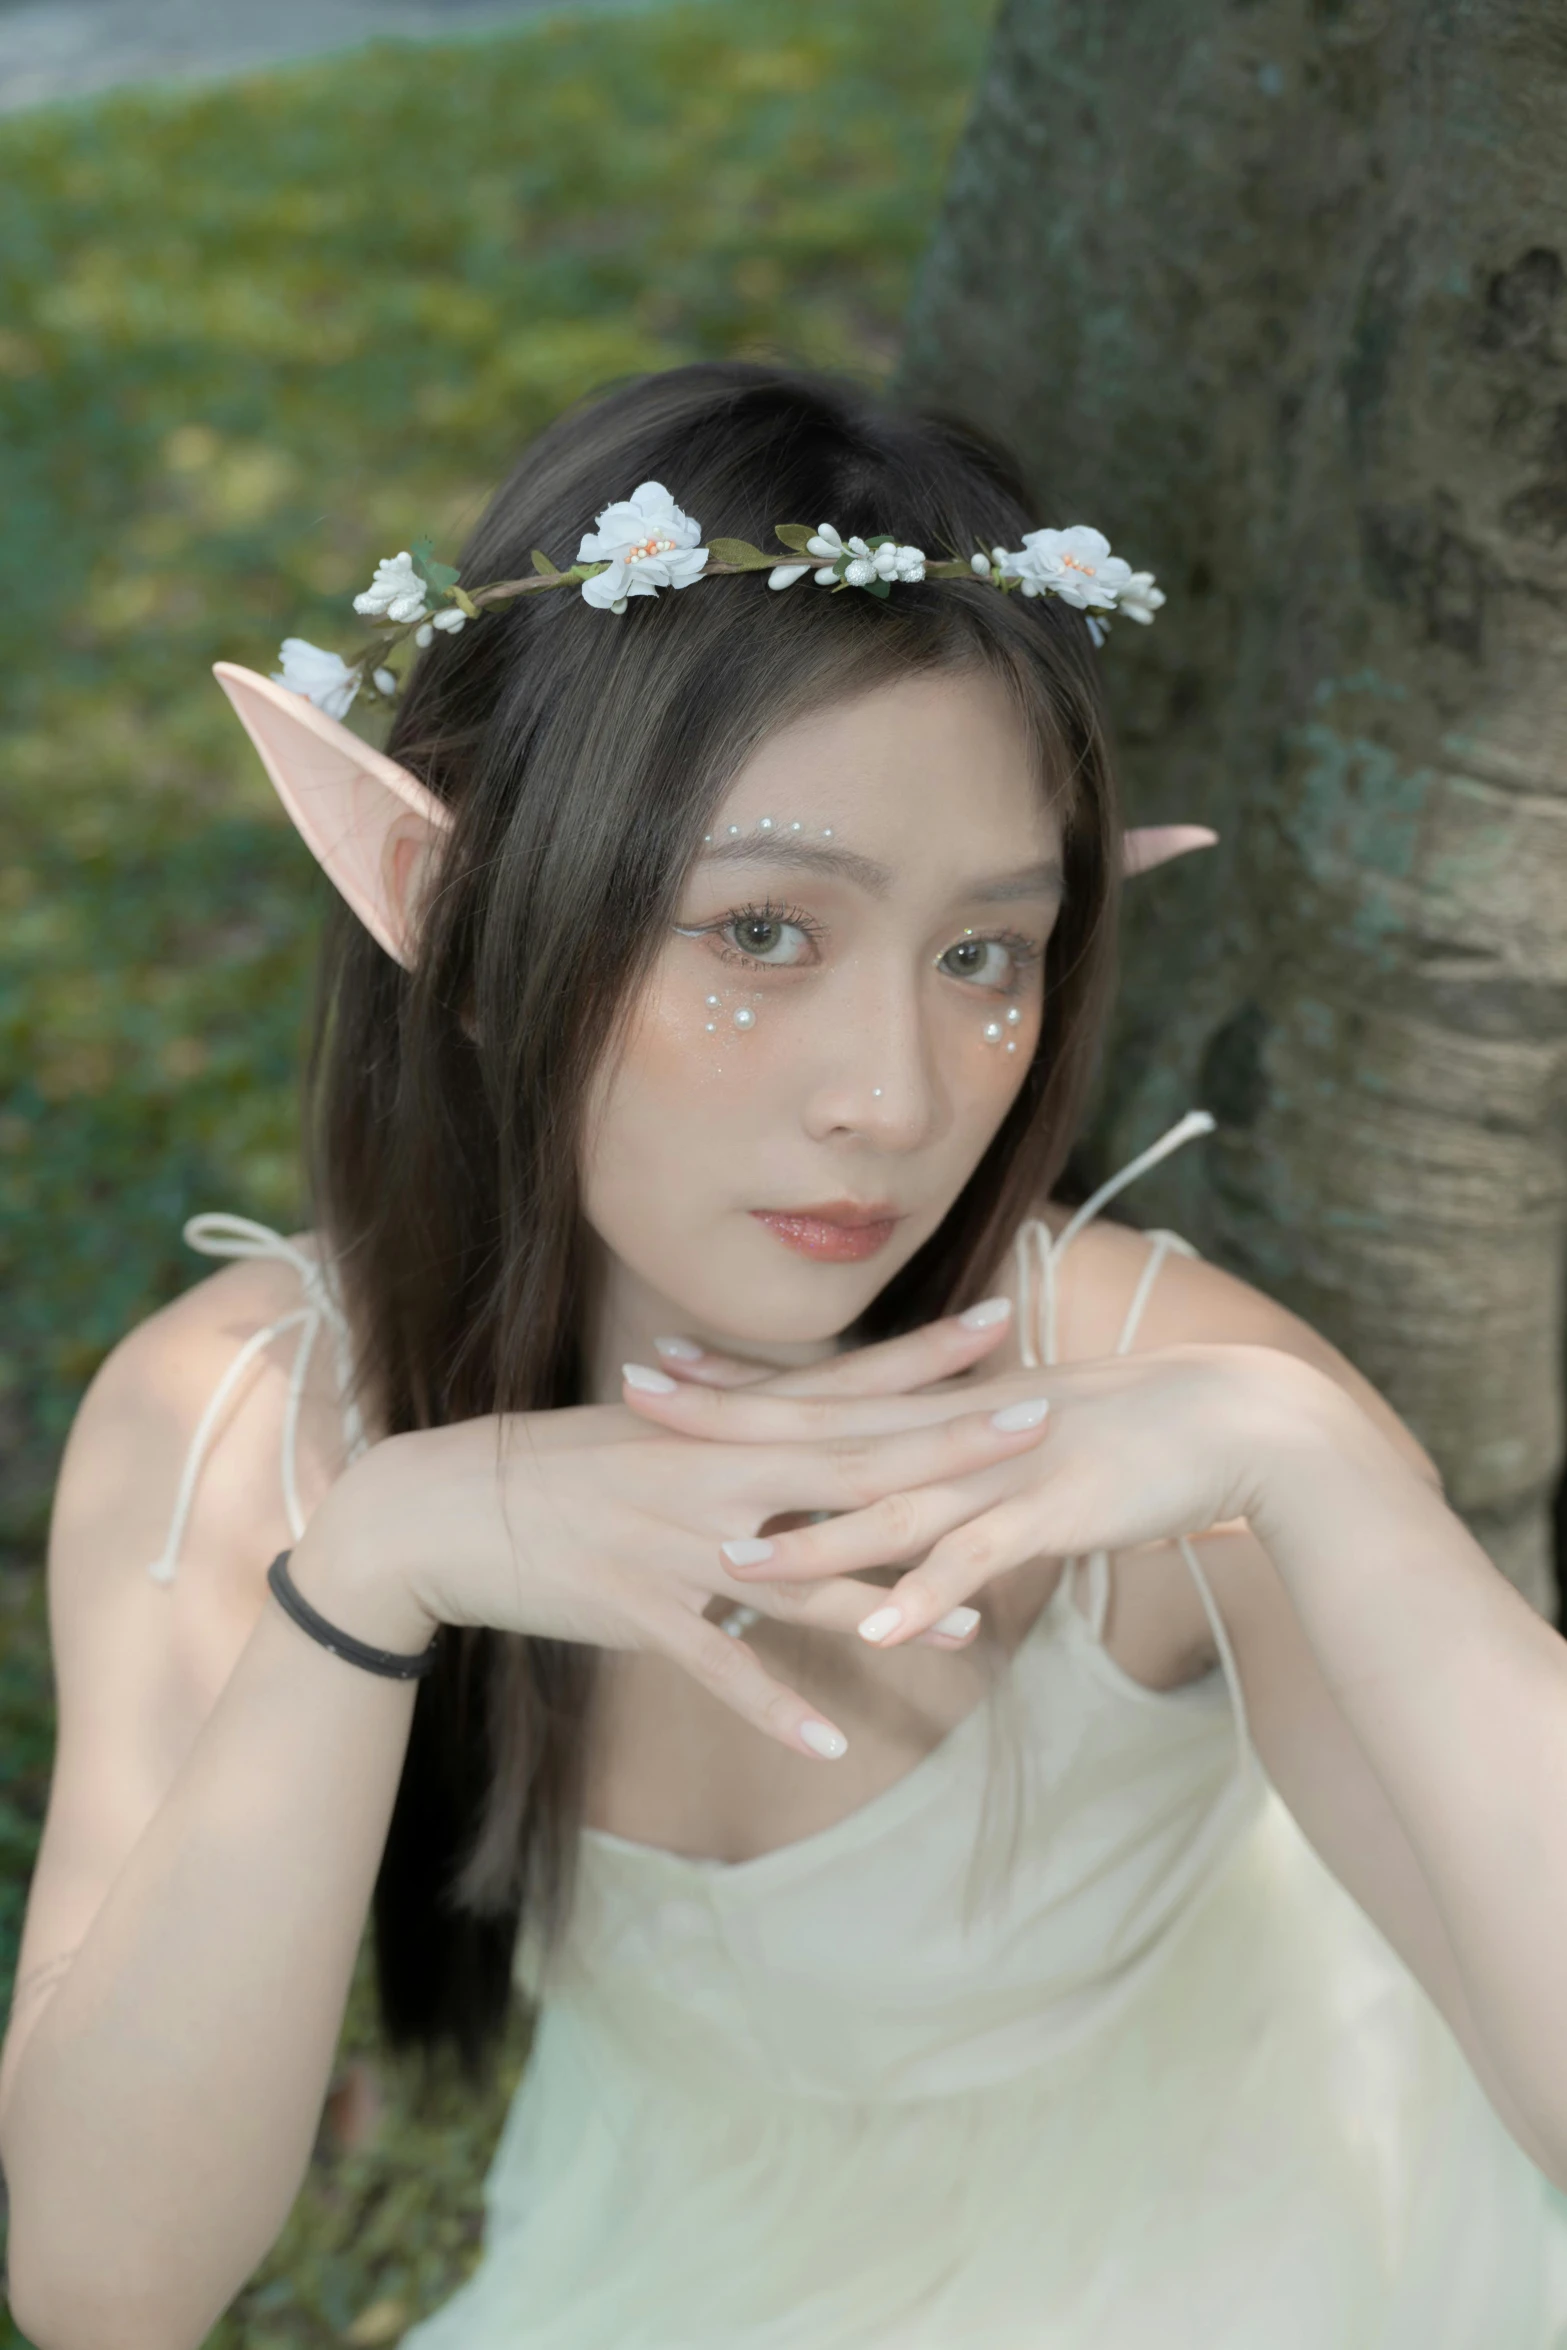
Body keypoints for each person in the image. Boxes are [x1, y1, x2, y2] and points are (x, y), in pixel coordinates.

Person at [3, 359, 1567, 2350]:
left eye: (984, 951)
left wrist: (1320, 1463)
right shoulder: (243, 1420)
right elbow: (103, 2283)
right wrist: (377, 1558)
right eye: (764, 933)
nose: (898, 1095)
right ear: (473, 923)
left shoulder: (1145, 1400)